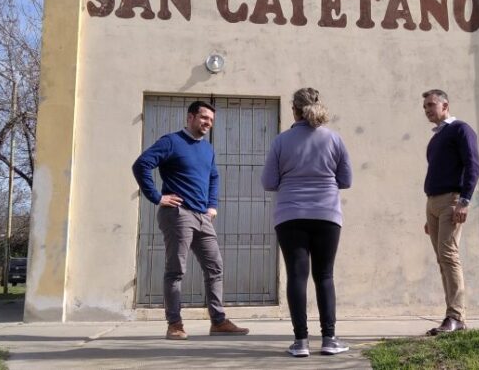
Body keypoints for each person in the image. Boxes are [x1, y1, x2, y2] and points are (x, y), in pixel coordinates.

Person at [132, 100, 249, 340]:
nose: (208, 123)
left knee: (215, 267)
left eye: (212, 120)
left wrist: (212, 206)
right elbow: (141, 164)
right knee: (176, 271)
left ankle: (218, 321)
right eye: (204, 118)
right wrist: (157, 197)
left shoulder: (207, 149)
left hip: (202, 216)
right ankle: (174, 324)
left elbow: (213, 176)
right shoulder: (171, 141)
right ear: (190, 117)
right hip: (178, 214)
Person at [261, 88, 352, 357]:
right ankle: (329, 339)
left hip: (290, 216)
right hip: (327, 215)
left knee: (296, 276)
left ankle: (301, 342)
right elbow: (346, 180)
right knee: (324, 276)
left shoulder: (281, 141)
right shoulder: (335, 139)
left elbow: (268, 182)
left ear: (294, 110)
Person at [421, 89, 479, 336]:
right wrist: (430, 215)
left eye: (431, 105)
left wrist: (464, 201)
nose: (427, 109)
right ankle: (453, 316)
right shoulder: (436, 138)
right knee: (442, 259)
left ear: (445, 105)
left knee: (449, 255)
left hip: (452, 200)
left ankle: (456, 317)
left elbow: (473, 165)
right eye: (424, 106)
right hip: (433, 204)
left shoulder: (460, 129)